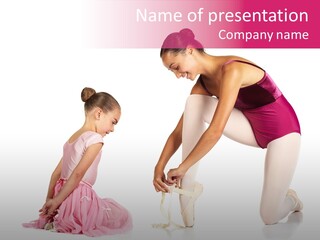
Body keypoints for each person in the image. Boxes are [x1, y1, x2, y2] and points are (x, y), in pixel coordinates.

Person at [153, 28, 303, 227]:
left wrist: (182, 167)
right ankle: (187, 190)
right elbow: (178, 132)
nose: (177, 75)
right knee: (194, 103)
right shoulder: (203, 85)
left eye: (175, 67)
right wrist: (159, 166)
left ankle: (291, 199)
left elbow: (215, 131)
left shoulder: (232, 69)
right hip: (251, 128)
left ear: (189, 50)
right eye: (172, 71)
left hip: (283, 133)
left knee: (269, 215)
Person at [23, 87, 132, 237]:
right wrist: (55, 201)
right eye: (113, 122)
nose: (113, 129)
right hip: (79, 196)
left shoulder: (72, 138)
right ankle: (65, 218)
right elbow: (78, 174)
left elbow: (55, 174)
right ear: (99, 113)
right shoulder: (95, 139)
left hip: (61, 193)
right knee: (120, 215)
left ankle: (58, 218)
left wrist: (51, 198)